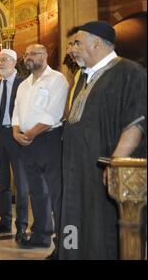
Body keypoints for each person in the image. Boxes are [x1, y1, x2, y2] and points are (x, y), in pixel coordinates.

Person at [59, 21, 147, 260]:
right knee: (75, 224)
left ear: (96, 43)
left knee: (102, 229)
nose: (71, 49)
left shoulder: (130, 72)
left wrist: (115, 164)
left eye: (77, 43)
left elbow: (136, 122)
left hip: (105, 173)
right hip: (77, 171)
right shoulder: (84, 77)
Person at [12, 44, 69, 255]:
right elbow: (17, 112)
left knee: (56, 193)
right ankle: (41, 236)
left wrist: (30, 134)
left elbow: (53, 113)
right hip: (26, 143)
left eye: (32, 54)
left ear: (44, 55)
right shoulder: (24, 84)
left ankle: (62, 244)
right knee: (36, 191)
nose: (27, 58)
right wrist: (16, 132)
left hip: (48, 140)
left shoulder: (57, 79)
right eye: (25, 55)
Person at [0, 49, 29, 244]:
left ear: (14, 62)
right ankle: (4, 221)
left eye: (4, 60)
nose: (0, 63)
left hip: (16, 136)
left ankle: (21, 225)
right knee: (2, 182)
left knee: (21, 183)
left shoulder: (24, 84)